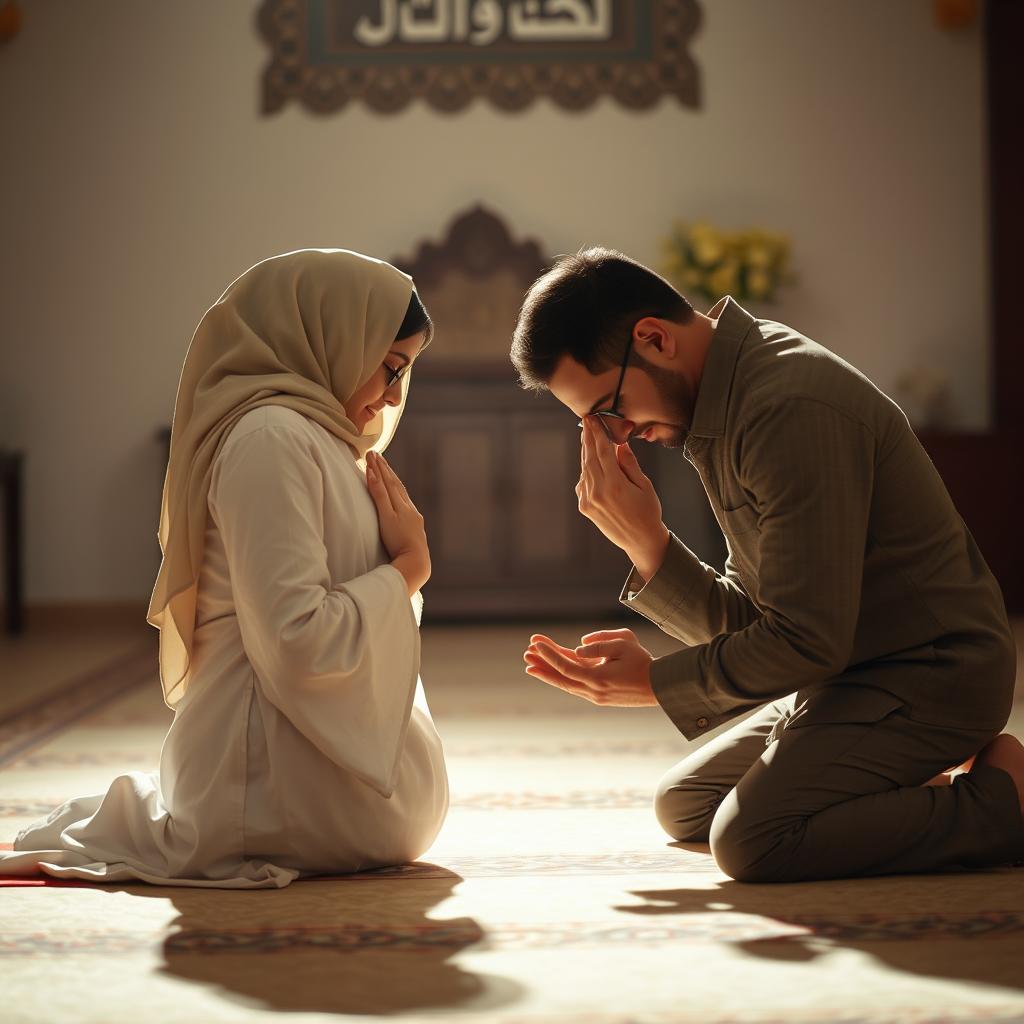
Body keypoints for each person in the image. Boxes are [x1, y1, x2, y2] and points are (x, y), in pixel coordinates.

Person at [513, 246, 1023, 883]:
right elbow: (760, 621)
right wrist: (648, 545)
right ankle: (888, 777)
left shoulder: (786, 409)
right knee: (687, 806)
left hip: (931, 676)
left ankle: (1003, 802)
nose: (615, 437)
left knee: (753, 841)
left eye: (607, 412)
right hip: (849, 673)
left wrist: (654, 684)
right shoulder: (727, 401)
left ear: (654, 339)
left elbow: (806, 640)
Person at [0, 249, 448, 888]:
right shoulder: (269, 439)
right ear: (331, 337)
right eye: (390, 367)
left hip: (320, 794)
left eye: (407, 372)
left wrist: (400, 568)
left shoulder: (319, 439)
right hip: (265, 794)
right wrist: (408, 569)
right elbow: (298, 640)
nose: (395, 395)